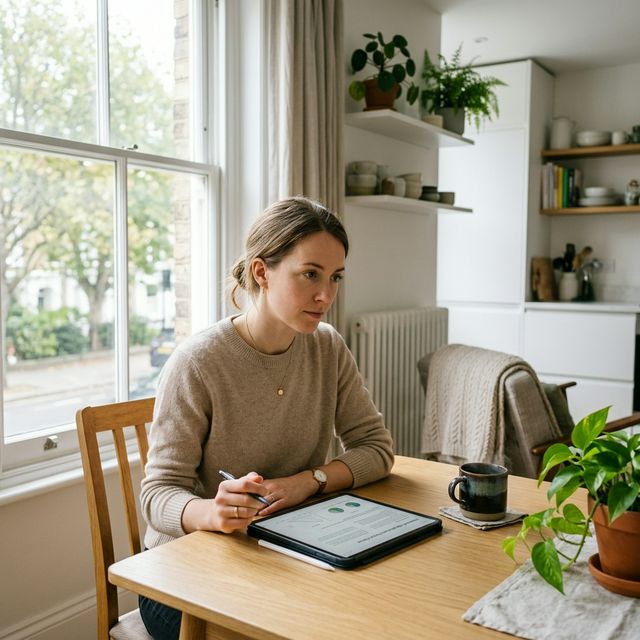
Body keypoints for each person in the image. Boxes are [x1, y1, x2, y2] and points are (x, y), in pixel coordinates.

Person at [138, 196, 394, 639]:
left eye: (335, 278)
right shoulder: (198, 362)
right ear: (261, 272)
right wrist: (210, 512)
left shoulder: (327, 347)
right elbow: (157, 495)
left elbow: (377, 450)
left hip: (284, 553)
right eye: (310, 274)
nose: (325, 295)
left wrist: (308, 481)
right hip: (183, 582)